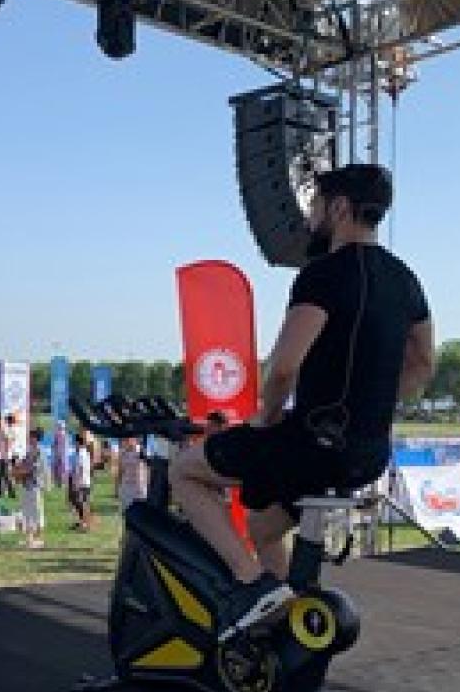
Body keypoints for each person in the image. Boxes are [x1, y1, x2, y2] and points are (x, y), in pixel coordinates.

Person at [170, 164, 435, 637]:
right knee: (262, 526)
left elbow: (284, 367)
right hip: (368, 452)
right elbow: (423, 364)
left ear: (339, 208)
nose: (310, 219)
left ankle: (250, 583)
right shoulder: (406, 280)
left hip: (312, 445)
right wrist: (370, 403)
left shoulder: (322, 275)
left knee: (184, 470)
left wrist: (264, 418)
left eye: (315, 207)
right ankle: (282, 622)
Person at [15, 428, 49, 549]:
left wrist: (19, 472)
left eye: (31, 437)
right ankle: (29, 538)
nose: (29, 439)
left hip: (35, 484)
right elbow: (24, 463)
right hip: (26, 484)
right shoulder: (29, 451)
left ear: (36, 438)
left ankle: (39, 538)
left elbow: (33, 468)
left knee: (36, 511)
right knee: (27, 511)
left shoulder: (39, 451)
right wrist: (17, 466)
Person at [68, 429, 94, 531]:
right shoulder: (77, 453)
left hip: (82, 482)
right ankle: (81, 521)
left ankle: (86, 523)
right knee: (75, 501)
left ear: (78, 443)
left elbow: (81, 469)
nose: (73, 444)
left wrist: (77, 483)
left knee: (81, 503)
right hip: (77, 481)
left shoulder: (83, 454)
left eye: (74, 442)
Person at [115, 437, 148, 509]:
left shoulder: (142, 451)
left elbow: (147, 470)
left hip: (140, 489)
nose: (126, 441)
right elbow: (120, 471)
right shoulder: (122, 453)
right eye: (125, 439)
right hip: (126, 488)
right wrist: (117, 487)